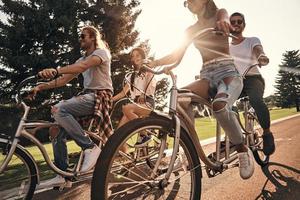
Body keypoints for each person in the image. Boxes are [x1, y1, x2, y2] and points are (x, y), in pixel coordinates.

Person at [148, 0, 254, 179]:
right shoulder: (190, 30)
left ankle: (242, 149)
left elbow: (224, 17)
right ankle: (189, 147)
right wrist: (155, 62)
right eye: (186, 1)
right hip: (206, 75)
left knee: (220, 106)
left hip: (227, 72)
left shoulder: (219, 13)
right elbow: (176, 54)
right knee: (179, 99)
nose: (188, 3)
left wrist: (224, 23)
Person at [32, 25, 113, 187]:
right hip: (87, 97)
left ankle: (89, 147)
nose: (80, 39)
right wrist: (41, 86)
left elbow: (82, 67)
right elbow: (62, 80)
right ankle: (63, 176)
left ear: (93, 38)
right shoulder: (80, 60)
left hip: (100, 96)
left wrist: (56, 70)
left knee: (59, 108)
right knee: (55, 129)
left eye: (83, 36)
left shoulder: (101, 53)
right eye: (80, 36)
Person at [229, 12, 275, 155]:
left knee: (255, 99)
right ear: (229, 25)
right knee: (224, 103)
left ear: (244, 25)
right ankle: (235, 136)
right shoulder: (226, 48)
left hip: (253, 78)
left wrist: (261, 56)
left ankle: (267, 134)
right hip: (236, 81)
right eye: (233, 22)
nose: (236, 24)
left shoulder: (251, 40)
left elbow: (258, 49)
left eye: (239, 21)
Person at [113, 47, 156, 146]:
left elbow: (148, 82)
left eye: (138, 55)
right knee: (118, 133)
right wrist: (110, 100)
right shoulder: (131, 76)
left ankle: (145, 134)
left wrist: (142, 93)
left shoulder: (148, 69)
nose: (135, 58)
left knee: (126, 108)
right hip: (136, 104)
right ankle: (122, 151)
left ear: (142, 57)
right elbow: (123, 93)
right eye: (133, 56)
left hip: (147, 102)